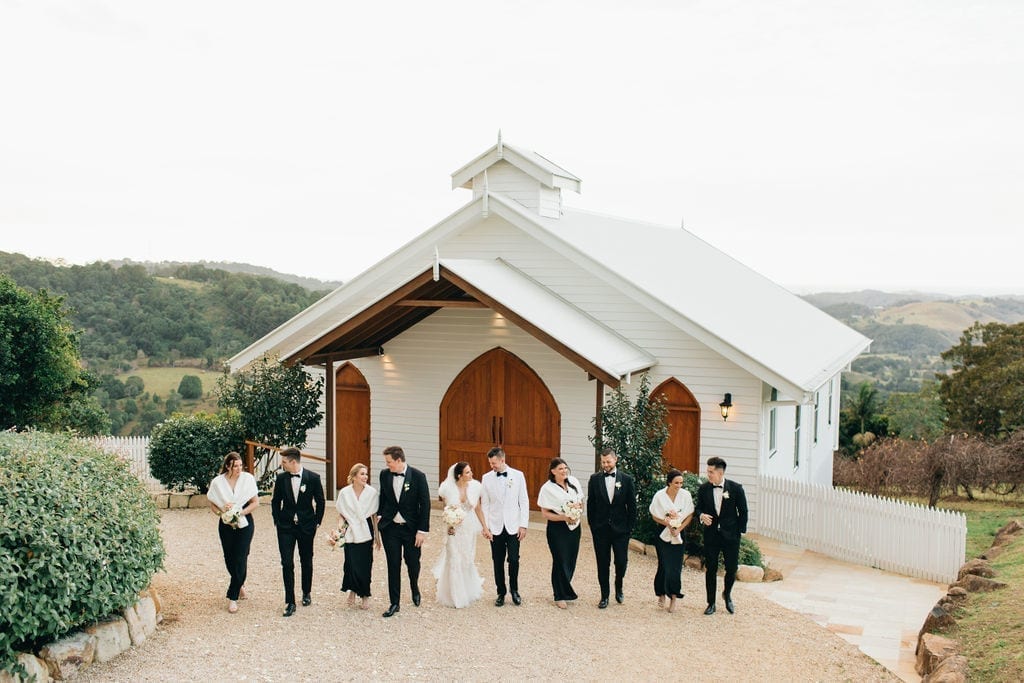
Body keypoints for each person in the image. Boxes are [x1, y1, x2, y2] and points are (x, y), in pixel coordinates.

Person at [270, 446, 326, 617]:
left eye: (284, 462)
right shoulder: (281, 479)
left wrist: (316, 522)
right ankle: (290, 601)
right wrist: (277, 521)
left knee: (306, 559)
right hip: (286, 527)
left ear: (293, 462)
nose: (282, 465)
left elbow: (321, 501)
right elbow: (275, 501)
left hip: (306, 526)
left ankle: (306, 592)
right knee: (287, 562)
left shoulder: (313, 478)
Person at [377, 445, 431, 618]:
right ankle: (394, 603)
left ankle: (414, 586)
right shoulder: (384, 475)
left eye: (389, 462)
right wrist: (380, 515)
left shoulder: (418, 476)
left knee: (413, 563)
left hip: (411, 530)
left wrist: (422, 531)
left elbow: (426, 505)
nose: (387, 466)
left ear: (399, 460)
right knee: (393, 564)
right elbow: (383, 497)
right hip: (390, 528)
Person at [207, 451, 259, 614]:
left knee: (241, 556)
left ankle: (233, 596)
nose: (239, 468)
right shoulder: (217, 482)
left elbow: (255, 503)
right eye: (235, 466)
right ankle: (239, 583)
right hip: (225, 523)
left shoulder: (248, 479)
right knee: (229, 557)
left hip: (245, 522)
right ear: (228, 466)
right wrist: (223, 513)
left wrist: (239, 513)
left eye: (240, 465)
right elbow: (213, 504)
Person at [695, 456, 748, 615]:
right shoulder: (704, 489)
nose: (708, 474)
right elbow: (698, 509)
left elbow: (743, 512)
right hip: (711, 536)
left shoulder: (736, 488)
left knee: (731, 569)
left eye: (711, 472)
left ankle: (727, 594)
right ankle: (711, 603)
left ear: (720, 472)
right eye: (708, 471)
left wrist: (739, 532)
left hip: (731, 536)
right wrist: (701, 516)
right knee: (711, 568)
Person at [586, 447, 637, 608]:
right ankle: (604, 595)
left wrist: (629, 528)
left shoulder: (627, 480)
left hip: (621, 530)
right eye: (603, 462)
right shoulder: (594, 479)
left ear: (616, 460)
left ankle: (619, 585)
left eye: (608, 461)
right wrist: (593, 526)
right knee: (602, 562)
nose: (605, 465)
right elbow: (591, 504)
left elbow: (632, 506)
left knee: (621, 561)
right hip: (600, 529)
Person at [432, 461, 487, 608]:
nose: (471, 474)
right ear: (459, 475)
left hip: (468, 528)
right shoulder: (448, 489)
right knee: (454, 557)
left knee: (466, 558)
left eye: (470, 471)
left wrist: (485, 527)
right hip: (453, 528)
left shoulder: (475, 487)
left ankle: (467, 589)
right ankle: (454, 594)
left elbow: (478, 509)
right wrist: (449, 524)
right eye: (468, 472)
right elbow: (447, 509)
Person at [480, 446, 529, 607]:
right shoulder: (486, 478)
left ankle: (514, 590)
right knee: (497, 560)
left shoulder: (518, 475)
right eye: (490, 463)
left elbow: (524, 501)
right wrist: (486, 527)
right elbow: (485, 504)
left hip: (513, 525)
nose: (491, 466)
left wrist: (523, 525)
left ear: (502, 460)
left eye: (494, 463)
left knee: (514, 559)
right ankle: (501, 592)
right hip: (495, 526)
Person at [537, 457, 584, 609]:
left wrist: (577, 509)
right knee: (560, 560)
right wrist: (563, 517)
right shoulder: (547, 488)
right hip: (557, 528)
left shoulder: (574, 482)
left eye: (565, 468)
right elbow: (545, 513)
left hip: (574, 527)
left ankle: (565, 588)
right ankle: (559, 594)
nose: (564, 471)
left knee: (571, 559)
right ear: (553, 471)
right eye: (560, 469)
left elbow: (581, 501)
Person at [334, 463, 381, 610]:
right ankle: (352, 591)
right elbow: (341, 514)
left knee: (366, 565)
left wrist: (378, 538)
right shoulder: (344, 493)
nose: (365, 477)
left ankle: (365, 594)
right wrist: (339, 532)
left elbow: (374, 516)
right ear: (354, 476)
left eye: (366, 474)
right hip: (350, 532)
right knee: (350, 564)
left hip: (366, 532)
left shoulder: (372, 493)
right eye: (362, 474)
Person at [648, 469, 694, 613]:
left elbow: (689, 515)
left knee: (675, 567)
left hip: (679, 535)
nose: (679, 485)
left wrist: (679, 529)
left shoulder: (686, 495)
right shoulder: (660, 496)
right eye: (676, 483)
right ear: (669, 482)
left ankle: (674, 597)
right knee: (663, 564)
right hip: (662, 533)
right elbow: (654, 515)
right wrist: (667, 523)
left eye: (681, 483)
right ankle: (661, 593)